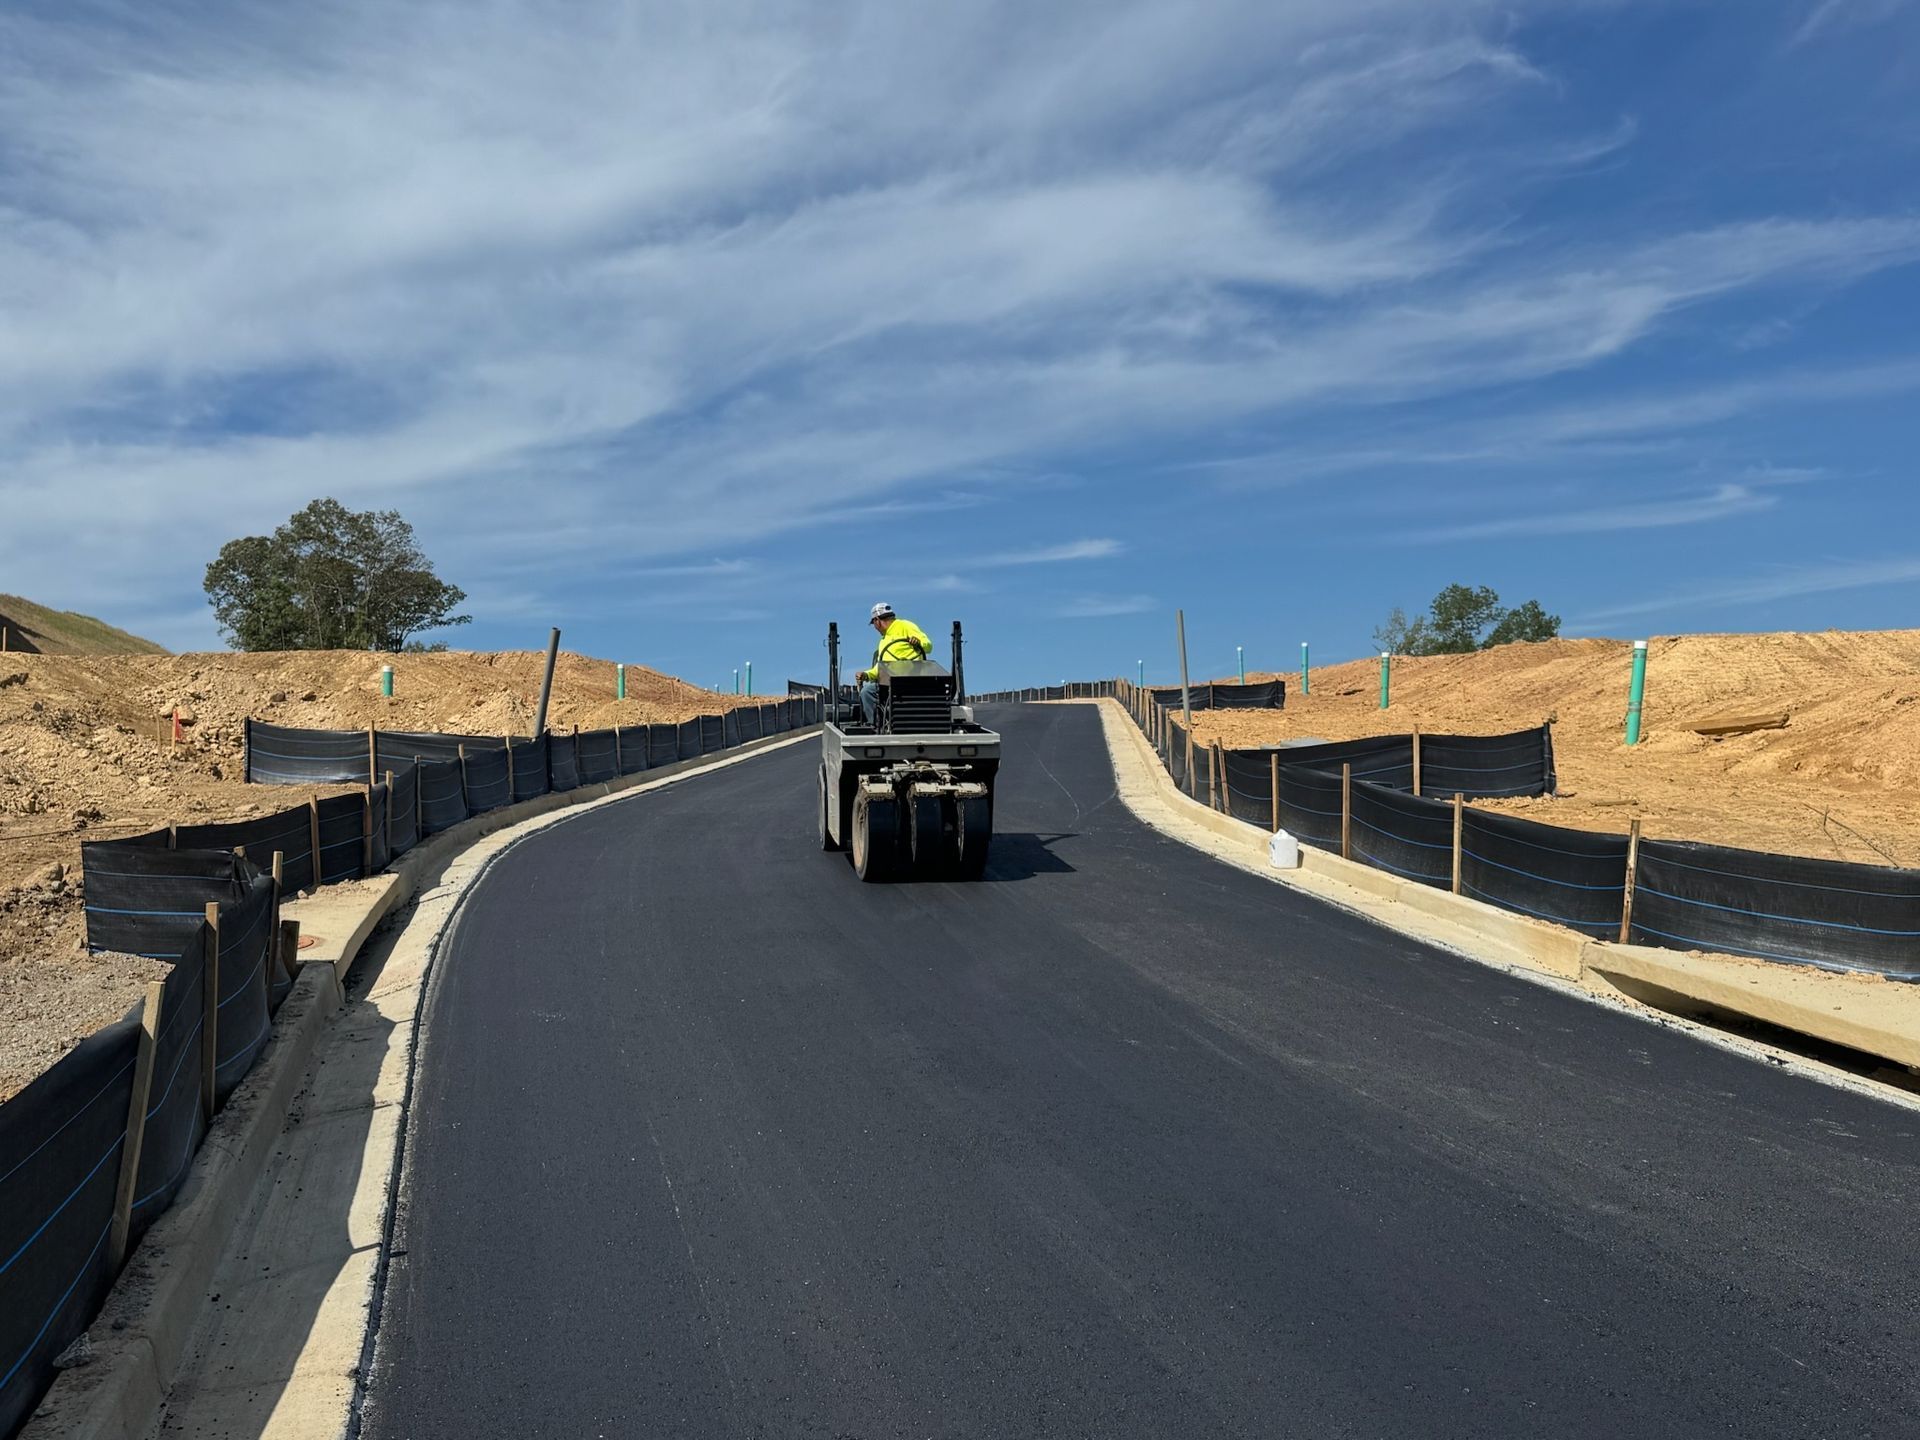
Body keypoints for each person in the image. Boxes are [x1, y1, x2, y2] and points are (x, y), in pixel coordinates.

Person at [855, 602, 931, 727]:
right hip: (891, 683)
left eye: (874, 623)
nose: (875, 627)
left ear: (877, 620)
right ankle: (878, 727)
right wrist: (866, 675)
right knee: (867, 692)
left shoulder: (905, 625)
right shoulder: (883, 641)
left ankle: (875, 726)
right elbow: (879, 668)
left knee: (867, 692)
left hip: (912, 679)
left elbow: (928, 645)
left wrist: (918, 642)